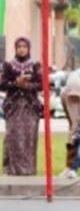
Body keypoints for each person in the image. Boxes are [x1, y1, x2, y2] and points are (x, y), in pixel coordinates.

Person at [1, 36, 43, 176]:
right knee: (13, 137)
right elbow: (2, 84)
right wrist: (16, 84)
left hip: (30, 107)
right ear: (15, 48)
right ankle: (12, 170)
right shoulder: (8, 65)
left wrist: (27, 86)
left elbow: (42, 85)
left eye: (24, 46)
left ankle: (28, 171)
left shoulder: (35, 65)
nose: (22, 49)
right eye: (19, 46)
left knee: (29, 139)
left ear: (28, 48)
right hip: (13, 107)